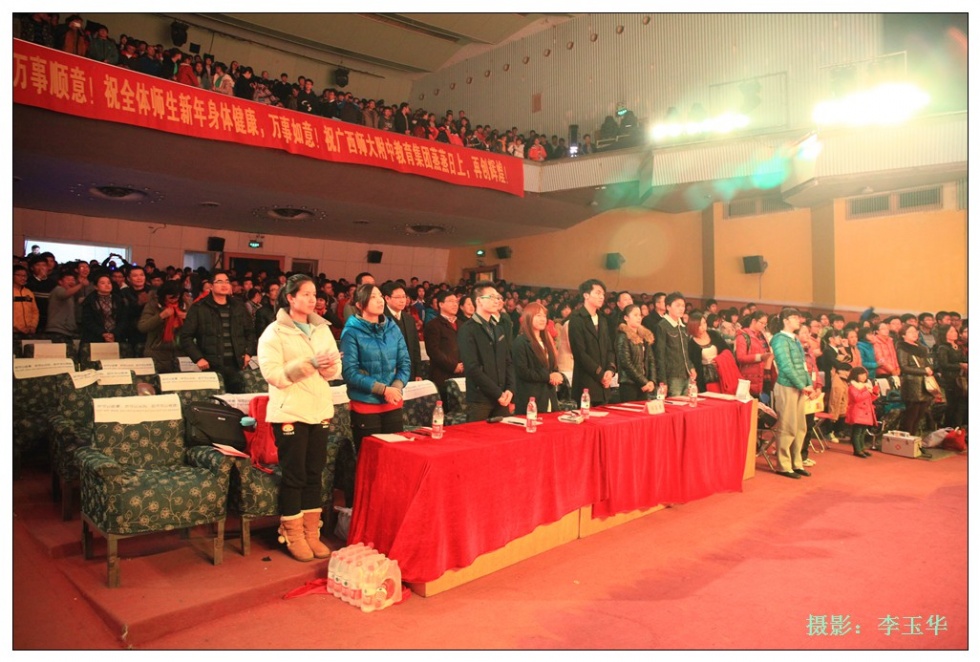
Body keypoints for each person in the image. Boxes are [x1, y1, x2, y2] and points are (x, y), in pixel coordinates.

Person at [257, 274, 342, 563]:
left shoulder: (322, 329)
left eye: (314, 294)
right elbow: (273, 375)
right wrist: (310, 364)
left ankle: (311, 533)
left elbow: (335, 368)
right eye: (305, 294)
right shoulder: (274, 332)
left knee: (314, 472)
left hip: (319, 409)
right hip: (290, 411)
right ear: (290, 298)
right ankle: (293, 534)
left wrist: (327, 367)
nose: (311, 299)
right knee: (294, 474)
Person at [340, 283, 411, 458]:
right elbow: (350, 372)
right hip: (366, 405)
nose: (379, 300)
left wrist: (395, 388)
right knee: (371, 458)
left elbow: (405, 363)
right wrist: (384, 390)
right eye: (373, 297)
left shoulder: (392, 328)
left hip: (393, 402)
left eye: (380, 296)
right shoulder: (351, 331)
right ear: (359, 304)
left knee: (394, 456)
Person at [180, 270, 256, 393]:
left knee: (237, 399)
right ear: (211, 286)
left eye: (227, 282)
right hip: (211, 364)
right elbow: (185, 337)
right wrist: (198, 358)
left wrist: (249, 352)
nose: (224, 285)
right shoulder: (199, 307)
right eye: (219, 282)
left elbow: (250, 332)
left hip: (237, 364)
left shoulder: (238, 306)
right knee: (215, 400)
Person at [457, 281, 515, 422]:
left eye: (497, 297)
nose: (496, 301)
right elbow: (472, 367)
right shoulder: (468, 329)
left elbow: (507, 361)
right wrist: (497, 393)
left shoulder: (498, 328)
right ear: (479, 301)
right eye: (491, 297)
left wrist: (510, 389)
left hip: (502, 397)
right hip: (480, 399)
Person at [770, 308, 815, 479]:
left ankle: (796, 463)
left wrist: (808, 384)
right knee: (787, 426)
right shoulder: (779, 339)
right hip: (787, 387)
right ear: (786, 320)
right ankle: (783, 465)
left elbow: (803, 365)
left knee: (800, 427)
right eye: (795, 318)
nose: (799, 321)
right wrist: (802, 385)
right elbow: (786, 366)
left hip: (799, 387)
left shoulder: (794, 339)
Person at [567, 278, 617, 405]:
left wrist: (610, 370)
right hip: (586, 382)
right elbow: (580, 353)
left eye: (603, 294)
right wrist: (600, 374)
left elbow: (609, 348)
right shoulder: (577, 319)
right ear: (586, 295)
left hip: (604, 385)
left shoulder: (603, 319)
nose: (602, 297)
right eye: (598, 293)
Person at [511, 302, 562, 415]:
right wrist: (548, 376)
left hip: (549, 395)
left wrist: (557, 374)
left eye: (544, 316)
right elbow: (522, 371)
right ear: (529, 317)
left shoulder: (546, 340)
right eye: (538, 316)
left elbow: (552, 366)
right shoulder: (520, 342)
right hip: (531, 397)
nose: (542, 319)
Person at [138, 280, 188, 373]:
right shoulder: (153, 306)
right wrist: (161, 316)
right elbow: (143, 327)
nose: (174, 300)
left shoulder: (186, 305)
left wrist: (188, 318)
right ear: (163, 295)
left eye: (177, 297)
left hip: (181, 352)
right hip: (157, 352)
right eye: (170, 297)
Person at [654, 292, 697, 396]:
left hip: (686, 373)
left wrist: (691, 367)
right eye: (677, 305)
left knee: (688, 402)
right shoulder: (662, 326)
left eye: (683, 306)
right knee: (675, 403)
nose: (681, 309)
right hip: (672, 376)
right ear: (668, 307)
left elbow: (686, 351)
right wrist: (662, 380)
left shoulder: (683, 326)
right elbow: (659, 355)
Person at [423, 290, 463, 401]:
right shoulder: (433, 325)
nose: (455, 304)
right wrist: (453, 366)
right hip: (442, 375)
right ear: (441, 304)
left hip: (462, 373)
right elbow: (433, 351)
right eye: (451, 301)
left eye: (456, 302)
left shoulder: (462, 324)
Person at [895, 324, 934, 436]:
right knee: (912, 414)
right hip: (912, 383)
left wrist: (929, 369)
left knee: (920, 415)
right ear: (903, 335)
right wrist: (923, 371)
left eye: (915, 331)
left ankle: (913, 438)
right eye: (910, 332)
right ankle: (906, 438)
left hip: (924, 383)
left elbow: (927, 363)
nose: (914, 334)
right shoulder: (903, 348)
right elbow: (904, 367)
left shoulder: (921, 347)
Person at [687, 311, 737, 393]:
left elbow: (727, 351)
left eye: (704, 323)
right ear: (694, 326)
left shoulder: (714, 334)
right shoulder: (692, 344)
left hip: (721, 372)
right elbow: (693, 363)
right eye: (700, 325)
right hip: (704, 377)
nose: (703, 326)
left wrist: (719, 360)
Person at [615, 304, 657, 403]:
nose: (639, 318)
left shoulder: (644, 335)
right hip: (629, 384)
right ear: (626, 318)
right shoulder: (623, 336)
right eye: (635, 315)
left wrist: (652, 381)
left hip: (644, 384)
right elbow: (626, 363)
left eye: (640, 315)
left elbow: (650, 360)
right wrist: (644, 381)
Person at [383, 281, 423, 381]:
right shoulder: (380, 318)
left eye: (404, 297)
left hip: (409, 372)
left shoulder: (409, 319)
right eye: (398, 297)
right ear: (387, 298)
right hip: (388, 373)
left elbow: (415, 347)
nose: (402, 300)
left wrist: (418, 372)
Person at [932, 324, 967, 429]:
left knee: (961, 404)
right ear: (944, 334)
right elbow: (943, 364)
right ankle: (948, 426)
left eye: (955, 331)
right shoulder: (943, 348)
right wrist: (959, 365)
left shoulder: (958, 346)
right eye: (951, 331)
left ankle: (958, 426)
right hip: (950, 379)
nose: (954, 333)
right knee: (952, 404)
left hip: (960, 378)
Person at [80, 272, 129, 344]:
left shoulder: (119, 300)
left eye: (109, 283)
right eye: (103, 283)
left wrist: (114, 333)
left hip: (116, 336)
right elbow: (88, 321)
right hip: (94, 337)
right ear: (96, 287)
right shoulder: (89, 301)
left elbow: (123, 319)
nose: (107, 285)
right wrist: (103, 333)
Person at [735, 311, 772, 398]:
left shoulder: (762, 335)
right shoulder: (743, 336)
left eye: (765, 324)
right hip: (749, 375)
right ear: (754, 321)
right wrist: (760, 357)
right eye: (761, 323)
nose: (763, 326)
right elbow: (740, 358)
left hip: (764, 374)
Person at [844, 366, 878, 458]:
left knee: (863, 432)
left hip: (865, 412)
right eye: (861, 375)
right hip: (857, 412)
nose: (864, 377)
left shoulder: (866, 386)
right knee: (857, 432)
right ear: (855, 375)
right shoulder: (852, 386)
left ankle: (862, 448)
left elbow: (869, 399)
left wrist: (874, 393)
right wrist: (867, 392)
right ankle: (857, 450)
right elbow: (857, 398)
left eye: (865, 375)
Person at [13, 265, 39, 338]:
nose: (23, 278)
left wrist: (33, 326)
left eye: (25, 276)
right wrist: (19, 327)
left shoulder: (29, 292)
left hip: (29, 331)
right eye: (19, 275)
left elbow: (35, 311)